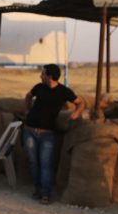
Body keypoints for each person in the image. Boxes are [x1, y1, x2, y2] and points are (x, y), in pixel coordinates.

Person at [23, 64, 85, 204]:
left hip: (47, 134)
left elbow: (80, 103)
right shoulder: (39, 87)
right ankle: (38, 190)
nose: (40, 76)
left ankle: (46, 194)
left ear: (50, 76)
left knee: (46, 164)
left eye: (43, 74)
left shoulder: (63, 91)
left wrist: (76, 113)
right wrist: (27, 111)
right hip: (30, 131)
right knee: (33, 162)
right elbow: (28, 97)